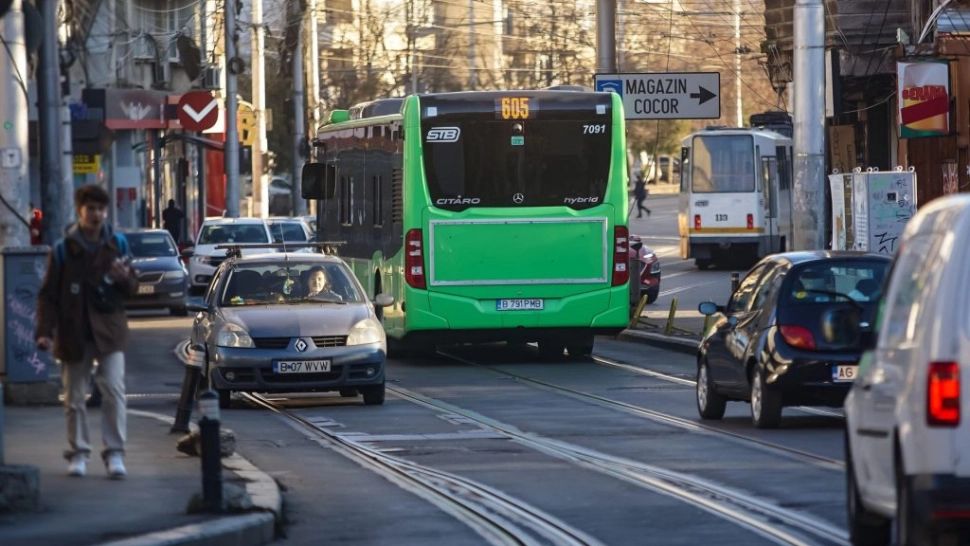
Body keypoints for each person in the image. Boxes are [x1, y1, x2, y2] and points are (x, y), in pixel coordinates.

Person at [35, 184, 137, 479]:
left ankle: (115, 454)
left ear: (107, 212)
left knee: (114, 390)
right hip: (73, 330)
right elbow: (48, 295)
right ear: (80, 211)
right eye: (90, 209)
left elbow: (133, 288)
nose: (96, 215)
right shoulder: (64, 249)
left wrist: (124, 279)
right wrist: (44, 331)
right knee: (74, 396)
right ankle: (79, 452)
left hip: (109, 330)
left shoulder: (118, 244)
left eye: (101, 209)